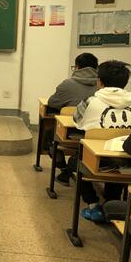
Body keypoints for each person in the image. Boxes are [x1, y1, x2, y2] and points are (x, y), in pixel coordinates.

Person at [73, 60, 131, 222]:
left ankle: (92, 204)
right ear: (125, 82)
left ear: (99, 82)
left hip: (99, 159)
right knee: (118, 160)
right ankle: (112, 202)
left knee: (79, 160)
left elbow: (76, 121)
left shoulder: (89, 101)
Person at [48, 53, 98, 185]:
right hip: (96, 135)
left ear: (77, 67)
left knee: (49, 136)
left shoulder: (67, 84)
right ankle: (71, 169)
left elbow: (52, 103)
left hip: (71, 132)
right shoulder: (102, 86)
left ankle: (65, 170)